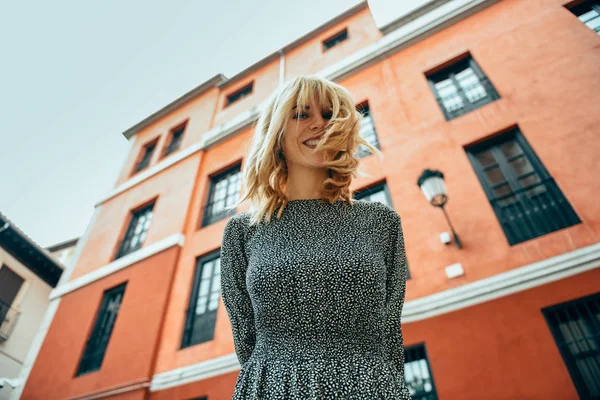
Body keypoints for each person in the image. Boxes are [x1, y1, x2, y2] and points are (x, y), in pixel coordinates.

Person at [220, 75, 412, 399]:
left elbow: (389, 333)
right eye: (301, 114)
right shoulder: (242, 233)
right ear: (276, 134)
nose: (320, 125)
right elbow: (246, 338)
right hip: (272, 388)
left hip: (372, 387)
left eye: (329, 115)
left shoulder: (382, 222)